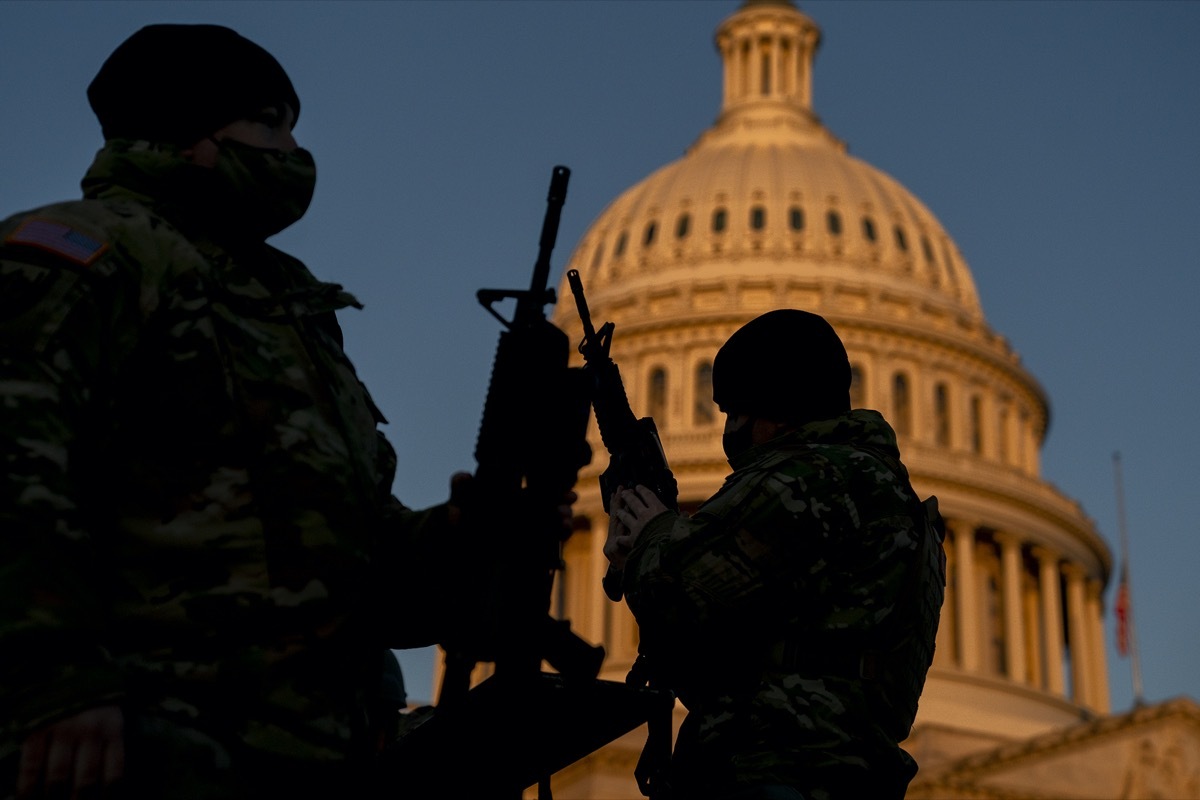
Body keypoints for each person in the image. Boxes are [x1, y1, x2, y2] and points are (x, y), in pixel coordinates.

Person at [0, 23, 518, 799]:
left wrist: (448, 542)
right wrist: (59, 683)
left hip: (304, 755)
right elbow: (14, 465)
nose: (293, 153)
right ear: (191, 133)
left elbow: (336, 555)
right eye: (271, 124)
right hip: (133, 745)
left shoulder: (283, 298)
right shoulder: (87, 253)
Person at [605, 309, 946, 800]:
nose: (731, 431)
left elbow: (684, 597)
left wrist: (649, 536)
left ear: (775, 409)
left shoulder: (805, 478)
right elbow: (720, 655)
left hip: (774, 766)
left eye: (737, 411)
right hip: (852, 770)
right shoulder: (892, 497)